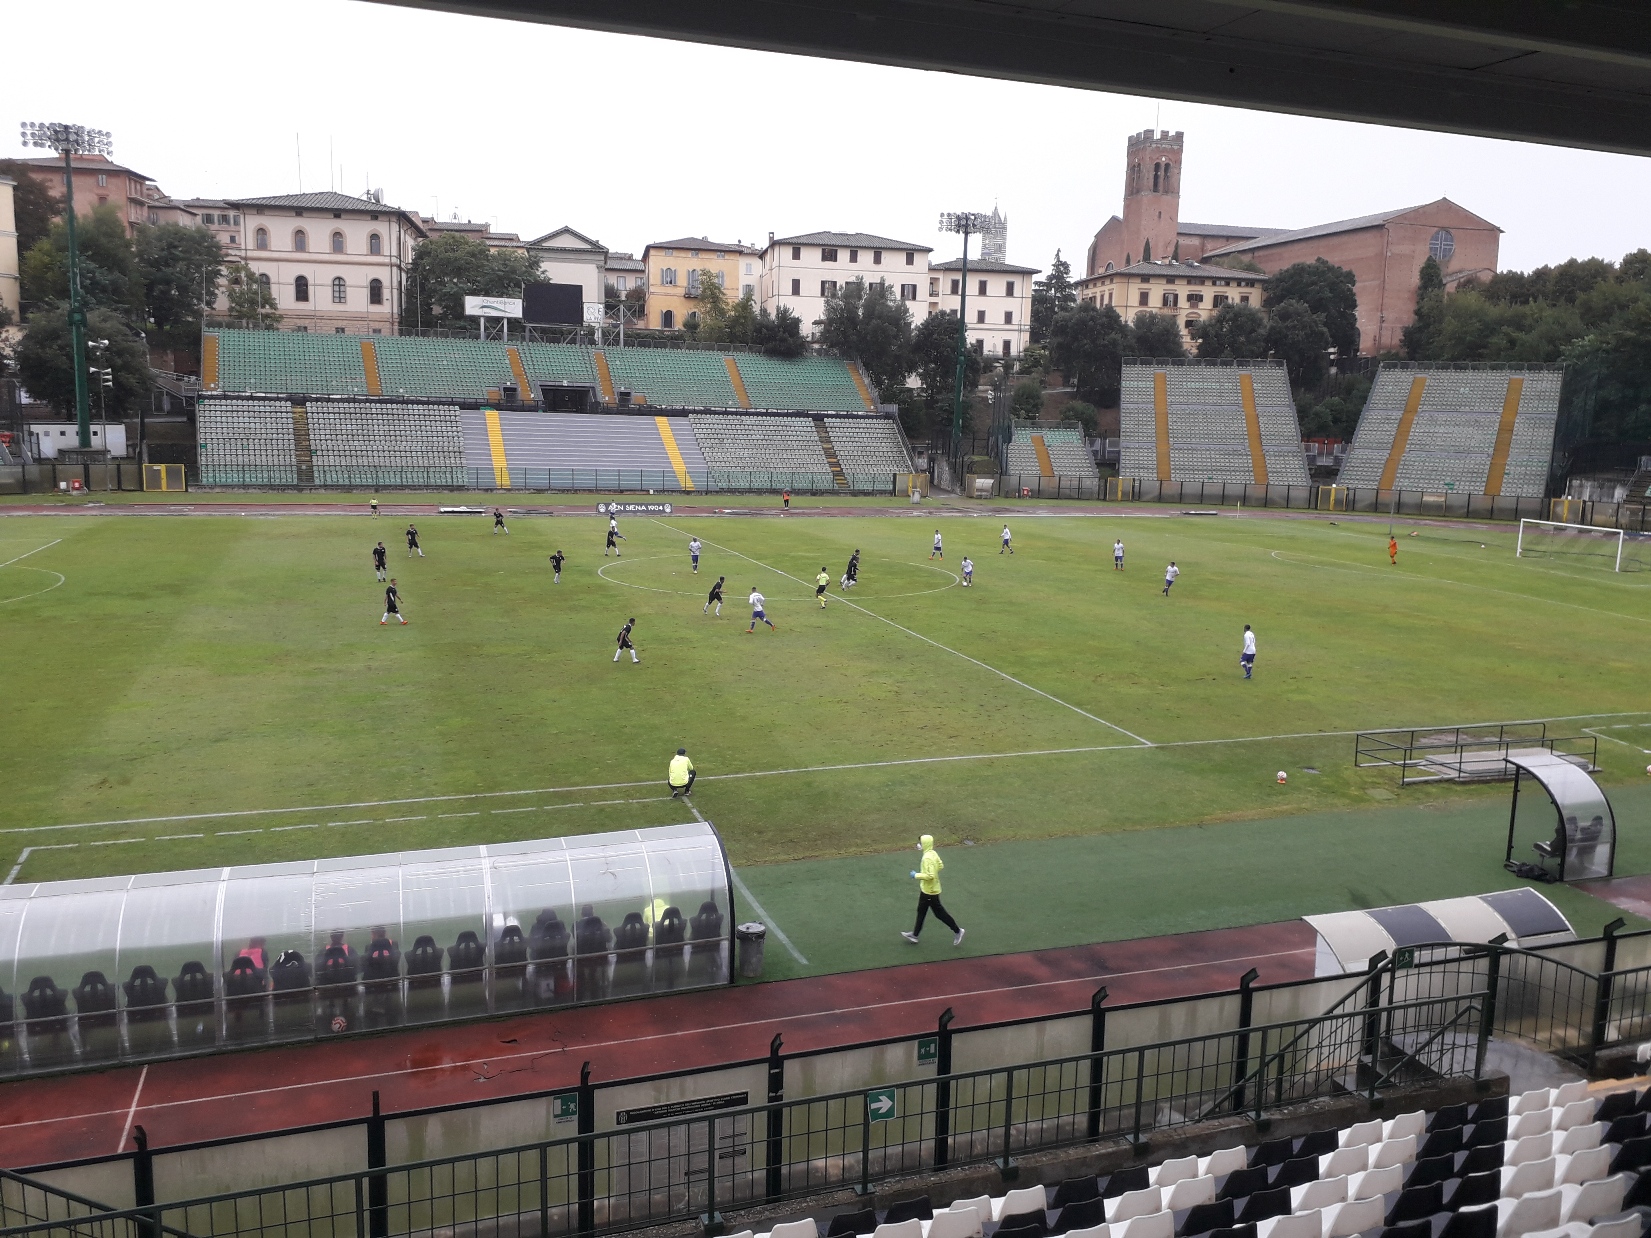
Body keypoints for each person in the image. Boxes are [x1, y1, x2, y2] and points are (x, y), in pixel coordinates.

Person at [901, 834, 964, 947]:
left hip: (929, 891)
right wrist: (932, 870)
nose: (919, 845)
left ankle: (958, 931)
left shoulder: (927, 858)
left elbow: (931, 876)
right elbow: (940, 865)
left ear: (925, 844)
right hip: (929, 889)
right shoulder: (933, 853)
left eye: (920, 842)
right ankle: (915, 935)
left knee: (939, 913)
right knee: (921, 911)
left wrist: (916, 875)